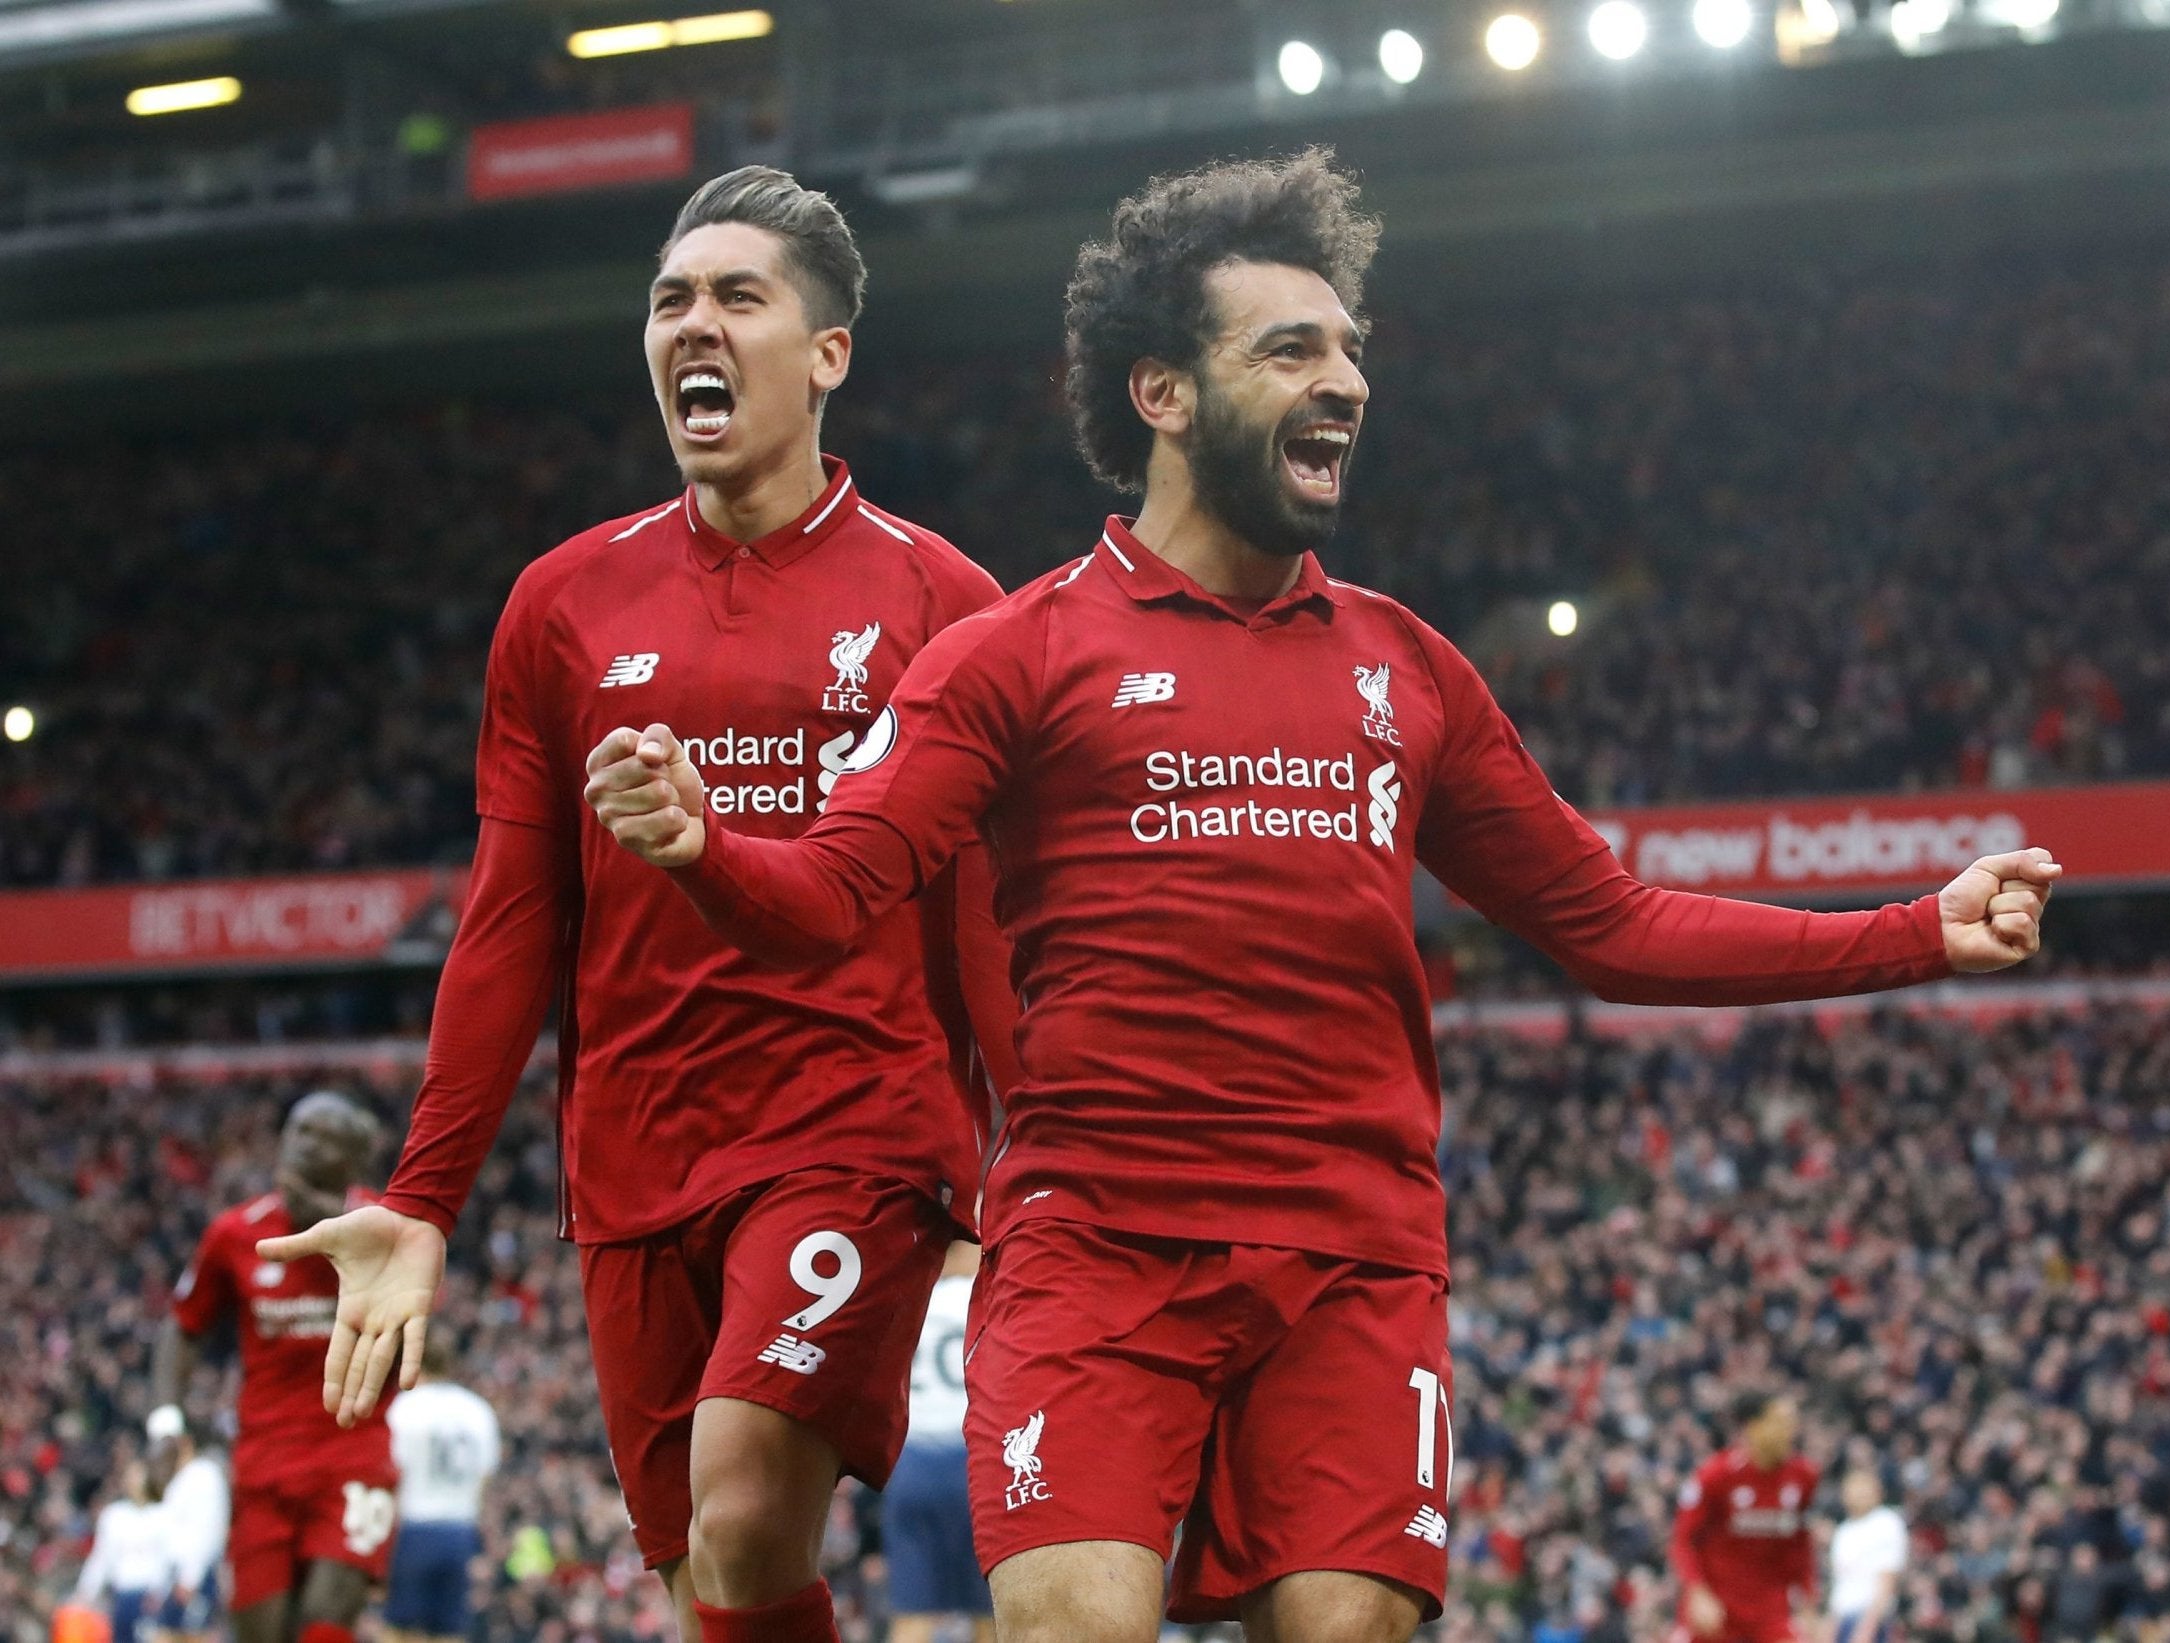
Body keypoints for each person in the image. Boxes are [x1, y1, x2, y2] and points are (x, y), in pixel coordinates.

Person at [581, 149, 2061, 1643]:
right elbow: (832, 893)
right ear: (1161, 393)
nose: (1342, 378)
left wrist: (1912, 930)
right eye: (1290, 348)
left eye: (1349, 347)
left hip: (1353, 1262)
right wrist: (705, 847)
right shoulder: (1015, 655)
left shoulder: (1404, 667)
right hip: (1097, 1247)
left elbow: (1608, 922)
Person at [259, 166, 1017, 1643]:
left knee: (741, 1500)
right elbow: (511, 917)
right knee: (703, 1581)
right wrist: (421, 1195)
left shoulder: (944, 599)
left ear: (827, 353)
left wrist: (1033, 1159)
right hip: (633, 1151)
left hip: (850, 1123)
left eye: (739, 297)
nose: (695, 324)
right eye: (671, 299)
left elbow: (983, 922)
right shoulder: (561, 602)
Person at [151, 1091, 391, 1643]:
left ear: (353, 1163)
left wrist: (336, 1226)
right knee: (261, 1631)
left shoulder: (385, 1231)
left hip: (355, 1455)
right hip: (264, 1462)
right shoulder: (237, 1234)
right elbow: (182, 1328)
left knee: (325, 1622)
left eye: (325, 1138)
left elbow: (418, 1342)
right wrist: (166, 1421)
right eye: (298, 1131)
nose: (305, 1146)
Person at [881, 1242, 993, 1643]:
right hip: (973, 1465)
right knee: (990, 1612)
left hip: (910, 1466)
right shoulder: (983, 1300)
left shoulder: (909, 1300)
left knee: (912, 1613)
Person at [1670, 1393, 1819, 1643]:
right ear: (1753, 1427)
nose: (1790, 1430)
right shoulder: (1715, 1475)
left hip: (1770, 1609)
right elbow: (1683, 1540)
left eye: (1793, 1422)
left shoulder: (1803, 1476)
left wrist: (1808, 1599)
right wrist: (1696, 1591)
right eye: (1780, 1422)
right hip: (1717, 1605)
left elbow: (1799, 1544)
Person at [382, 1337, 501, 1643]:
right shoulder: (477, 1410)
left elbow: (393, 1474)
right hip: (460, 1532)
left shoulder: (404, 1408)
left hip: (414, 1529)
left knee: (400, 1629)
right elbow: (485, 1477)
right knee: (449, 1631)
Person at [148, 1422, 230, 1643]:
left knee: (196, 1636)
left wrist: (191, 1577)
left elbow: (206, 1530)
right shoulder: (179, 1481)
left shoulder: (203, 1475)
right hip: (176, 1577)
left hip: (195, 1576)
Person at [73, 1460, 171, 1643]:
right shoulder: (114, 1516)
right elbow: (102, 1558)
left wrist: (160, 1590)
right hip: (122, 1596)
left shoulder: (163, 1515)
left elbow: (168, 1558)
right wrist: (85, 1591)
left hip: (152, 1598)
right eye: (131, 1477)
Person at [1825, 1468, 1907, 1643]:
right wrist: (1830, 1628)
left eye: (1864, 1489)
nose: (1859, 1494)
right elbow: (1841, 1585)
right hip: (1843, 1618)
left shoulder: (1886, 1522)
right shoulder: (1844, 1531)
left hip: (1871, 1619)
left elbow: (1887, 1580)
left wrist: (1867, 1628)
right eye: (1854, 1489)